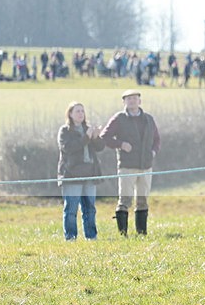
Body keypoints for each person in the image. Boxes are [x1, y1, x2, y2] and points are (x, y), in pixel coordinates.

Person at [100, 89, 161, 236]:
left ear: (140, 101)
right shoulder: (119, 119)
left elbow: (157, 139)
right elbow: (104, 137)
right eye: (128, 99)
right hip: (127, 166)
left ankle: (142, 233)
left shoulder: (148, 119)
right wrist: (120, 144)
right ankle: (123, 234)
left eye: (134, 98)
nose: (132, 101)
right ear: (124, 102)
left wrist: (153, 152)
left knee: (142, 201)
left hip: (146, 166)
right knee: (125, 200)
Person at [57, 102, 105, 241]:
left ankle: (91, 236)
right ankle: (71, 237)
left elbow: (100, 148)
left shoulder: (88, 129)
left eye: (82, 111)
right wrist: (86, 138)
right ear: (70, 114)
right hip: (72, 174)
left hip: (90, 173)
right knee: (71, 209)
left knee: (90, 208)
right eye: (77, 111)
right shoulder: (65, 131)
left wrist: (96, 137)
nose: (80, 114)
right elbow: (69, 148)